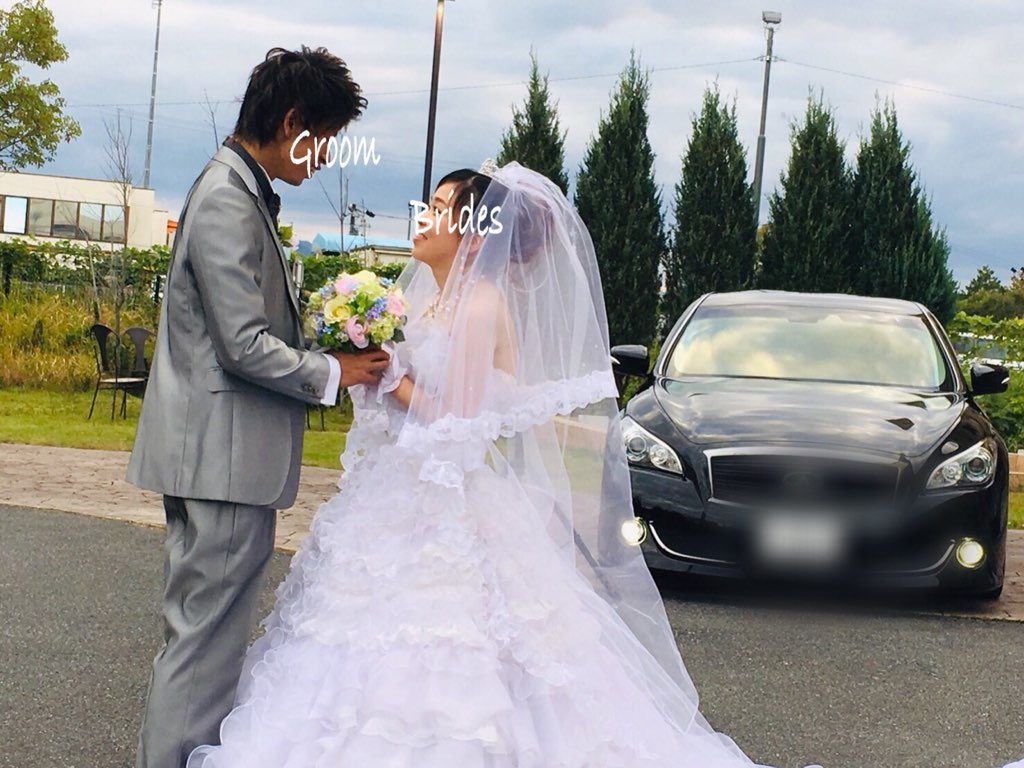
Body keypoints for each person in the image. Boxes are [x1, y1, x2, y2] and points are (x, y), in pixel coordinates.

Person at [185, 160, 1024, 768]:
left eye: (439, 208)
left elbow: (458, 419)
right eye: (428, 204)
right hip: (397, 494)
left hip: (444, 501)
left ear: (475, 230)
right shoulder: (423, 299)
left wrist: (384, 379)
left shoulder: (478, 306)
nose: (425, 217)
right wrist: (374, 364)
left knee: (450, 637)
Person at [125, 47, 389, 768]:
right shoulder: (226, 199)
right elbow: (242, 344)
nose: (325, 156)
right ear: (291, 122)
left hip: (219, 458)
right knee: (202, 649)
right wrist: (333, 370)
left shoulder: (235, 190)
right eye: (323, 138)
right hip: (223, 461)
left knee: (201, 641)